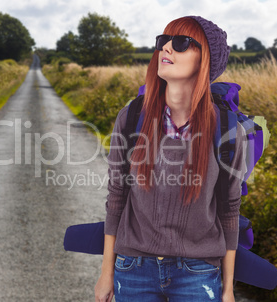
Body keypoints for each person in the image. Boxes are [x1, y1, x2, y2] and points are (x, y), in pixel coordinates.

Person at [95, 15, 247, 302]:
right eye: (163, 41)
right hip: (133, 268)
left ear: (205, 60)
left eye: (181, 43)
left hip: (198, 272)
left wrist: (227, 289)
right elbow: (116, 197)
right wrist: (106, 273)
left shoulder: (227, 130)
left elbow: (230, 210)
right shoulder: (131, 118)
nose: (166, 48)